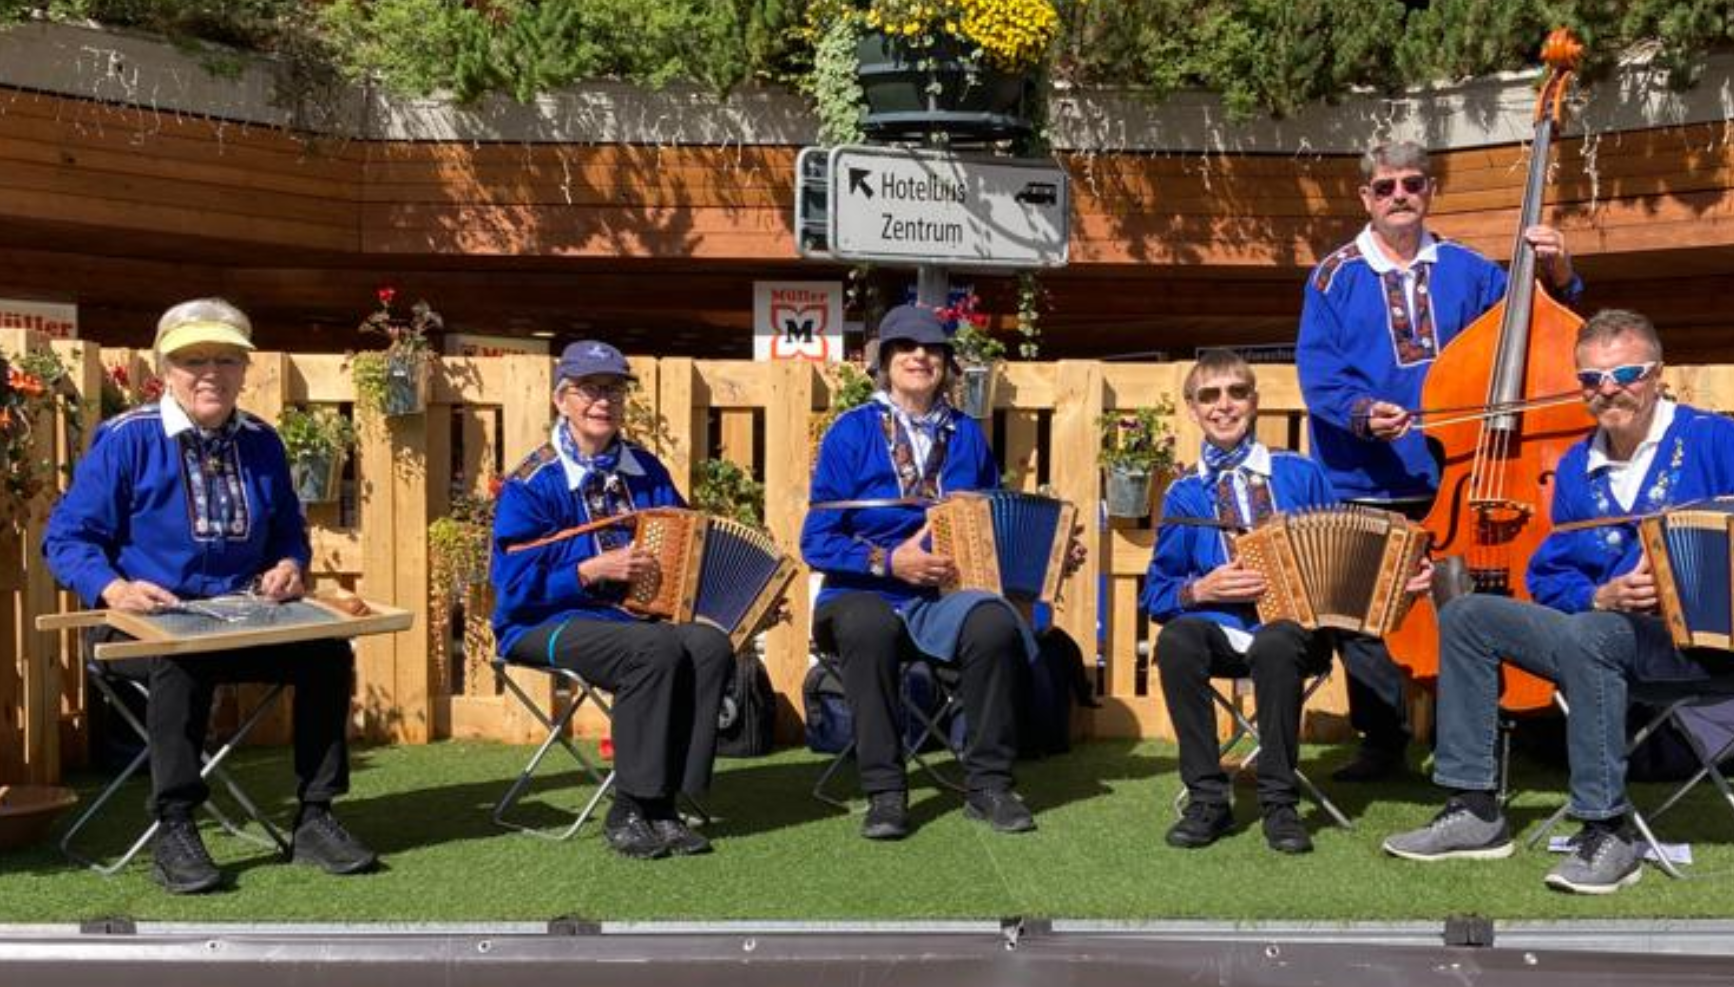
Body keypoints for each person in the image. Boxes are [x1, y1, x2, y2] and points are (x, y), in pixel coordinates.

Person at [1381, 309, 1734, 895]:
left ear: (1656, 374)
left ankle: (1608, 831)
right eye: (1591, 380)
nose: (1609, 389)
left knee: (1593, 635)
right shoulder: (1578, 466)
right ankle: (1475, 809)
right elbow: (1550, 574)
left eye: (1625, 373)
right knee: (1470, 615)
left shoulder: (1717, 441)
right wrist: (1598, 593)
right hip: (1607, 641)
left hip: (1709, 650)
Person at [44, 298, 376, 895]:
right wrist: (114, 586)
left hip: (240, 620)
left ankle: (316, 817)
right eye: (193, 359)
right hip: (139, 627)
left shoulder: (262, 442)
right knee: (181, 659)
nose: (210, 373)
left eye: (226, 359)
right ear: (164, 369)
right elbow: (66, 538)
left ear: (245, 370)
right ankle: (175, 826)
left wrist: (288, 564)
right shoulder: (126, 441)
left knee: (327, 653)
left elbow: (286, 532)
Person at [1293, 140, 1581, 781]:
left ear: (1429, 192)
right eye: (1387, 185)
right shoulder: (1333, 276)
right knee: (1366, 617)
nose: (1401, 195)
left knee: (1466, 610)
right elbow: (1319, 374)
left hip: (1460, 476)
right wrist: (1363, 414)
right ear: (1365, 197)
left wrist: (1557, 270)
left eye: (1413, 184)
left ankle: (1479, 738)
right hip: (1366, 475)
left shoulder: (1470, 270)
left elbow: (1534, 322)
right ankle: (1382, 741)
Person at [801, 303, 1078, 840]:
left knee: (994, 624)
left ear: (947, 364)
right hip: (862, 591)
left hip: (943, 596)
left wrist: (1050, 555)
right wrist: (887, 561)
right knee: (868, 626)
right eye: (906, 346)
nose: (920, 356)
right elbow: (815, 540)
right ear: (885, 359)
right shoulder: (850, 433)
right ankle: (885, 790)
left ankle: (989, 785)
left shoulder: (969, 435)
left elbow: (992, 523)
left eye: (933, 349)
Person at [1147, 349, 1410, 853]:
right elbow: (1159, 592)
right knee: (1178, 640)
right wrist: (1201, 589)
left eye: (1236, 393)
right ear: (1193, 409)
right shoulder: (1184, 494)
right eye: (1209, 396)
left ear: (1255, 402)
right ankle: (1208, 800)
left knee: (1275, 641)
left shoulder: (1299, 473)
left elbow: (1346, 555)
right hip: (1221, 630)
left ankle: (1279, 804)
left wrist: (1394, 580)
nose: (1223, 406)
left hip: (1297, 635)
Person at [490, 340, 733, 860]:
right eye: (589, 389)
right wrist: (585, 571)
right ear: (562, 399)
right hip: (539, 622)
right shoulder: (533, 482)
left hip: (630, 619)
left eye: (615, 390)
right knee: (654, 649)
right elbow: (509, 583)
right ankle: (631, 804)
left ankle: (667, 802)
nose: (603, 401)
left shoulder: (646, 470)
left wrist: (739, 600)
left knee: (710, 645)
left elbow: (688, 544)